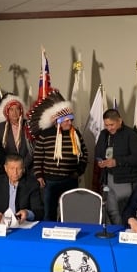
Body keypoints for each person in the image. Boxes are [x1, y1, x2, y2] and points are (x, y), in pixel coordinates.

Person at [30, 90, 88, 221]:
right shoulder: (45, 134)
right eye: (66, 121)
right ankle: (49, 236)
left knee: (70, 211)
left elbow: (84, 155)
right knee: (49, 211)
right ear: (58, 121)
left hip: (70, 180)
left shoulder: (76, 134)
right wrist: (39, 175)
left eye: (70, 120)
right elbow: (38, 156)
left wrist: (78, 172)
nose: (69, 123)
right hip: (50, 182)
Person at [94, 108, 137, 224]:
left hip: (125, 180)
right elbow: (98, 153)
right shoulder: (103, 134)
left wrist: (117, 162)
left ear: (120, 121)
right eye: (106, 125)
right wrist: (100, 161)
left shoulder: (131, 134)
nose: (109, 128)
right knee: (111, 212)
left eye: (112, 124)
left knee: (125, 212)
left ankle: (126, 235)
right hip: (107, 179)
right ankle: (116, 234)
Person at [0, 153, 42, 224]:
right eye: (12, 168)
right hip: (0, 224)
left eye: (19, 169)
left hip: (23, 224)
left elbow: (39, 211)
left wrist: (27, 213)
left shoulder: (32, 184)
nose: (15, 172)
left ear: (23, 169)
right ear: (5, 168)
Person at [0, 93, 33, 174]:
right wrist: (9, 166)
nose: (14, 112)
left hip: (26, 169)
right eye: (11, 109)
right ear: (7, 112)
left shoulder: (28, 126)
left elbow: (33, 149)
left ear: (21, 111)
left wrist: (23, 165)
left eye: (17, 109)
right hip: (7, 170)